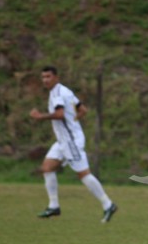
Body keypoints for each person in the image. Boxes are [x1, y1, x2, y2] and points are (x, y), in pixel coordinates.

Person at [30, 66, 117, 223]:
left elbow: (59, 114)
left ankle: (108, 204)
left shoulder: (57, 92)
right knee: (47, 167)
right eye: (43, 77)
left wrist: (39, 116)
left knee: (84, 174)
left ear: (56, 77)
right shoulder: (66, 90)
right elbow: (83, 110)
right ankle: (54, 206)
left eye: (48, 76)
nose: (45, 80)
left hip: (70, 141)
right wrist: (73, 123)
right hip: (65, 139)